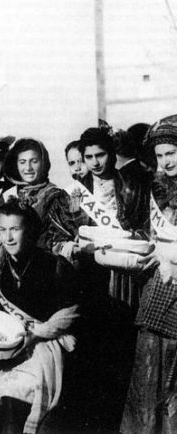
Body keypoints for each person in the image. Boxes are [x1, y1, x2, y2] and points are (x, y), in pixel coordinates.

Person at [0, 199, 80, 434]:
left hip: (48, 350)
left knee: (16, 399)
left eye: (15, 229)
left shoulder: (54, 265)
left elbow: (71, 313)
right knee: (4, 402)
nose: (8, 238)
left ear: (28, 231)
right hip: (12, 352)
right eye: (3, 230)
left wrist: (37, 333)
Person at [121, 114, 177, 433]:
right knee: (146, 377)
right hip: (158, 292)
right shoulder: (158, 192)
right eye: (160, 155)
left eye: (172, 153)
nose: (166, 161)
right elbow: (151, 233)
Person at [78, 127, 153, 308]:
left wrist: (135, 235)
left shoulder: (134, 185)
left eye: (100, 155)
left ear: (111, 153)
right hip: (90, 268)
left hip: (124, 269)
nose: (95, 162)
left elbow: (148, 225)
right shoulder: (77, 190)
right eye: (89, 157)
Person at [0, 138, 81, 260]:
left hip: (43, 262)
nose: (28, 168)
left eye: (34, 161)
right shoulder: (8, 195)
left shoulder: (55, 196)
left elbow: (63, 239)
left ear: (43, 163)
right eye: (22, 162)